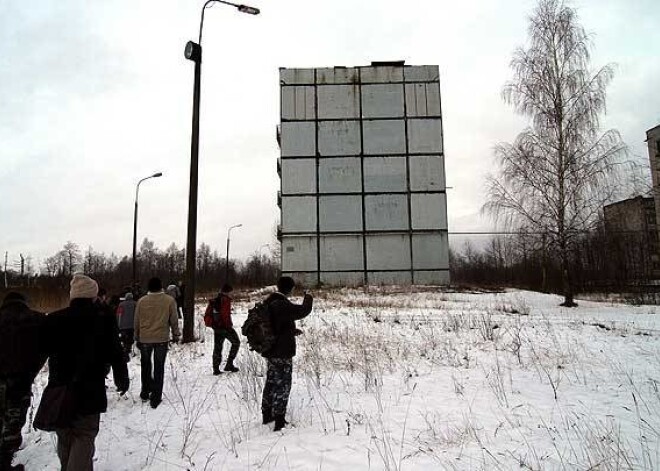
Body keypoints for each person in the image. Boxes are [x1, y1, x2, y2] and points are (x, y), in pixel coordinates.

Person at [42, 274, 129, 471]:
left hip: (59, 389)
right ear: (93, 296)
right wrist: (121, 378)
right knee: (84, 434)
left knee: (64, 434)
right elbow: (116, 352)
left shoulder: (54, 319)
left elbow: (39, 353)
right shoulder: (103, 318)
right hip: (89, 389)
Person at [0, 292, 46, 471]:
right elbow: (44, 350)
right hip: (19, 383)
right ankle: (4, 462)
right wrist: (31, 371)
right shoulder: (36, 320)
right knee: (13, 423)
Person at [261, 276, 313, 432]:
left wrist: (291, 331)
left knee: (271, 382)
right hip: (282, 352)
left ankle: (266, 414)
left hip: (270, 350)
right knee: (283, 384)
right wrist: (308, 297)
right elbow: (303, 310)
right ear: (290, 289)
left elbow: (278, 324)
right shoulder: (282, 304)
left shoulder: (269, 301)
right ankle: (279, 420)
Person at [134, 277, 180, 409]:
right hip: (161, 338)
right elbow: (174, 320)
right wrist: (176, 334)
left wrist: (137, 337)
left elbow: (136, 321)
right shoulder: (169, 300)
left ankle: (145, 392)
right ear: (161, 287)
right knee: (159, 367)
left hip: (145, 339)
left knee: (146, 366)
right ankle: (156, 397)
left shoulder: (141, 301)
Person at [205, 284, 240, 375]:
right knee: (236, 342)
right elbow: (225, 315)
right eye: (231, 292)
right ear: (227, 292)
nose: (232, 294)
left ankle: (216, 369)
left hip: (217, 327)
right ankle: (229, 364)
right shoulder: (225, 300)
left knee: (217, 347)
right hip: (224, 327)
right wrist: (228, 326)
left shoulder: (215, 300)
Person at [116, 293, 137, 359]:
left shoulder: (121, 304)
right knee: (130, 338)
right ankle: (128, 349)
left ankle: (125, 348)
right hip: (132, 325)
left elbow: (119, 314)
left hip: (123, 325)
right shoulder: (135, 304)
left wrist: (118, 323)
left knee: (124, 338)